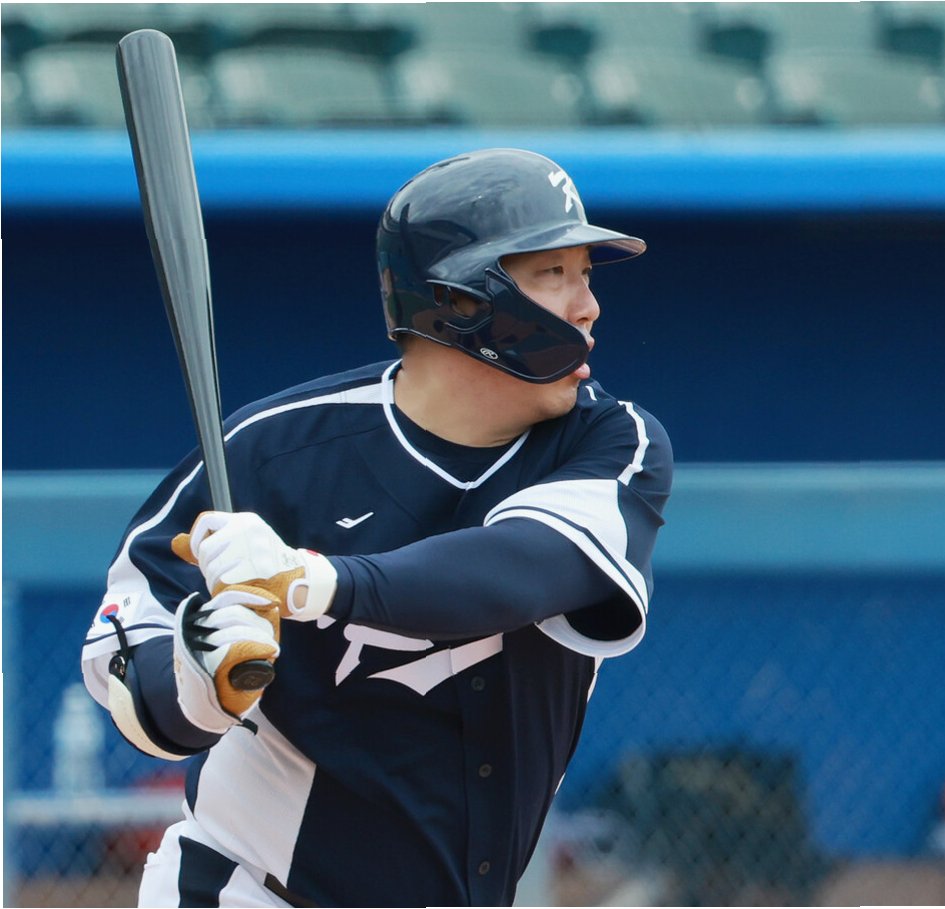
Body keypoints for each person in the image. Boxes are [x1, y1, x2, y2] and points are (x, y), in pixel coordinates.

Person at [79, 147, 673, 907]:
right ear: (459, 302)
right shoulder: (272, 452)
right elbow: (126, 666)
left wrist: (307, 580)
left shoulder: (612, 442)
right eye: (553, 273)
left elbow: (523, 567)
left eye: (585, 274)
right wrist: (197, 684)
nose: (588, 306)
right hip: (246, 891)